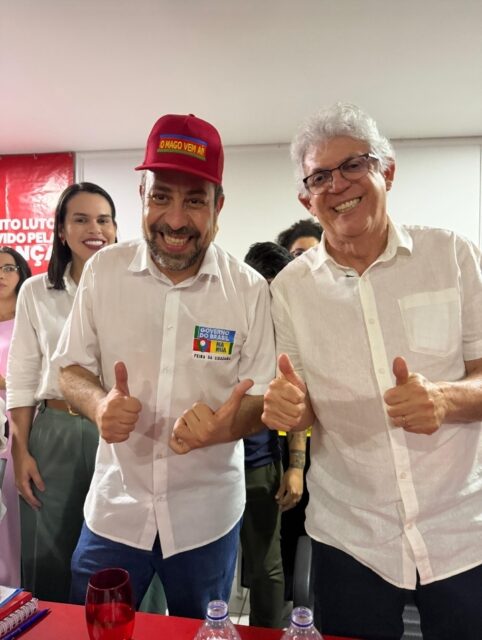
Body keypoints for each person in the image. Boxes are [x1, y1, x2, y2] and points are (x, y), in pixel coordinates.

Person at [262, 103, 482, 640]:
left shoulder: (451, 255)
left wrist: (446, 399)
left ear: (387, 171)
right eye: (320, 176)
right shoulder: (290, 290)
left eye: (353, 165)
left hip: (462, 527)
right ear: (306, 198)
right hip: (350, 535)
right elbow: (301, 406)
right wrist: (291, 410)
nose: (337, 184)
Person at [54, 113, 275, 619]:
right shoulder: (104, 273)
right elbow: (69, 369)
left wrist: (224, 427)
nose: (175, 220)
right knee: (95, 629)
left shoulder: (248, 290)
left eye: (194, 200)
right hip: (115, 510)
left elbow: (261, 396)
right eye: (161, 197)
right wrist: (98, 404)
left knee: (203, 632)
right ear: (141, 195)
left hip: (205, 520)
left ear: (218, 205)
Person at [7, 183, 117, 601]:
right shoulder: (37, 291)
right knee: (49, 552)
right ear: (61, 229)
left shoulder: (130, 289)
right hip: (55, 429)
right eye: (81, 219)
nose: (95, 229)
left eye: (104, 220)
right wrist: (21, 450)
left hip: (118, 432)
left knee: (120, 552)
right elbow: (22, 374)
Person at [240, 241, 294, 628]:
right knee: (205, 564)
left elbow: (299, 403)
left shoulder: (289, 334)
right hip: (206, 464)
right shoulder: (218, 321)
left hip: (260, 465)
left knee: (265, 568)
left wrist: (296, 466)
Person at [0, 247, 31, 586]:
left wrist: (6, 383)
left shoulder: (29, 319)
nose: (1, 275)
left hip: (20, 426)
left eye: (9, 268)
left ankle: (15, 587)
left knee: (14, 509)